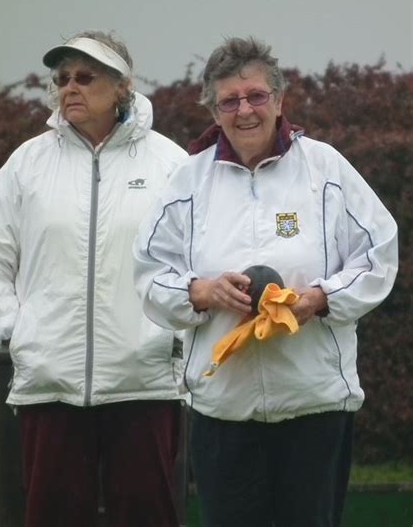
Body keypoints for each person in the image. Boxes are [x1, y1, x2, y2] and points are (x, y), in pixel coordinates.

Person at [133, 36, 398, 527]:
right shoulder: (188, 183)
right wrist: (202, 292)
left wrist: (320, 299)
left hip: (314, 405)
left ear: (279, 100)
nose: (245, 110)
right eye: (229, 101)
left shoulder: (326, 169)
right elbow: (150, 271)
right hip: (223, 414)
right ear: (214, 110)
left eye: (256, 96)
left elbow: (379, 255)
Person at [0, 30, 187, 527]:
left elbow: (199, 263)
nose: (70, 88)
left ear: (122, 86)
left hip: (144, 385)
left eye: (86, 77)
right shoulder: (27, 165)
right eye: (62, 79)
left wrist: (172, 337)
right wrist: (13, 333)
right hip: (50, 386)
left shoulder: (171, 164)